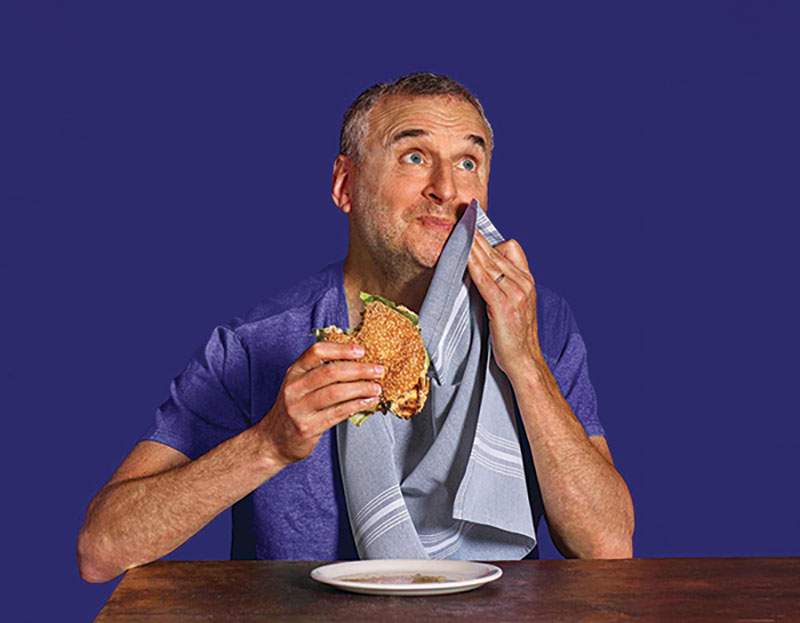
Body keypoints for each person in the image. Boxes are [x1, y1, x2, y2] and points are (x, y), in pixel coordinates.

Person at [77, 72, 634, 583]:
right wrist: (268, 444)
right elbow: (102, 549)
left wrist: (526, 363)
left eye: (468, 162)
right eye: (414, 157)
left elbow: (606, 545)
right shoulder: (257, 344)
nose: (446, 187)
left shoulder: (535, 320)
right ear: (346, 185)